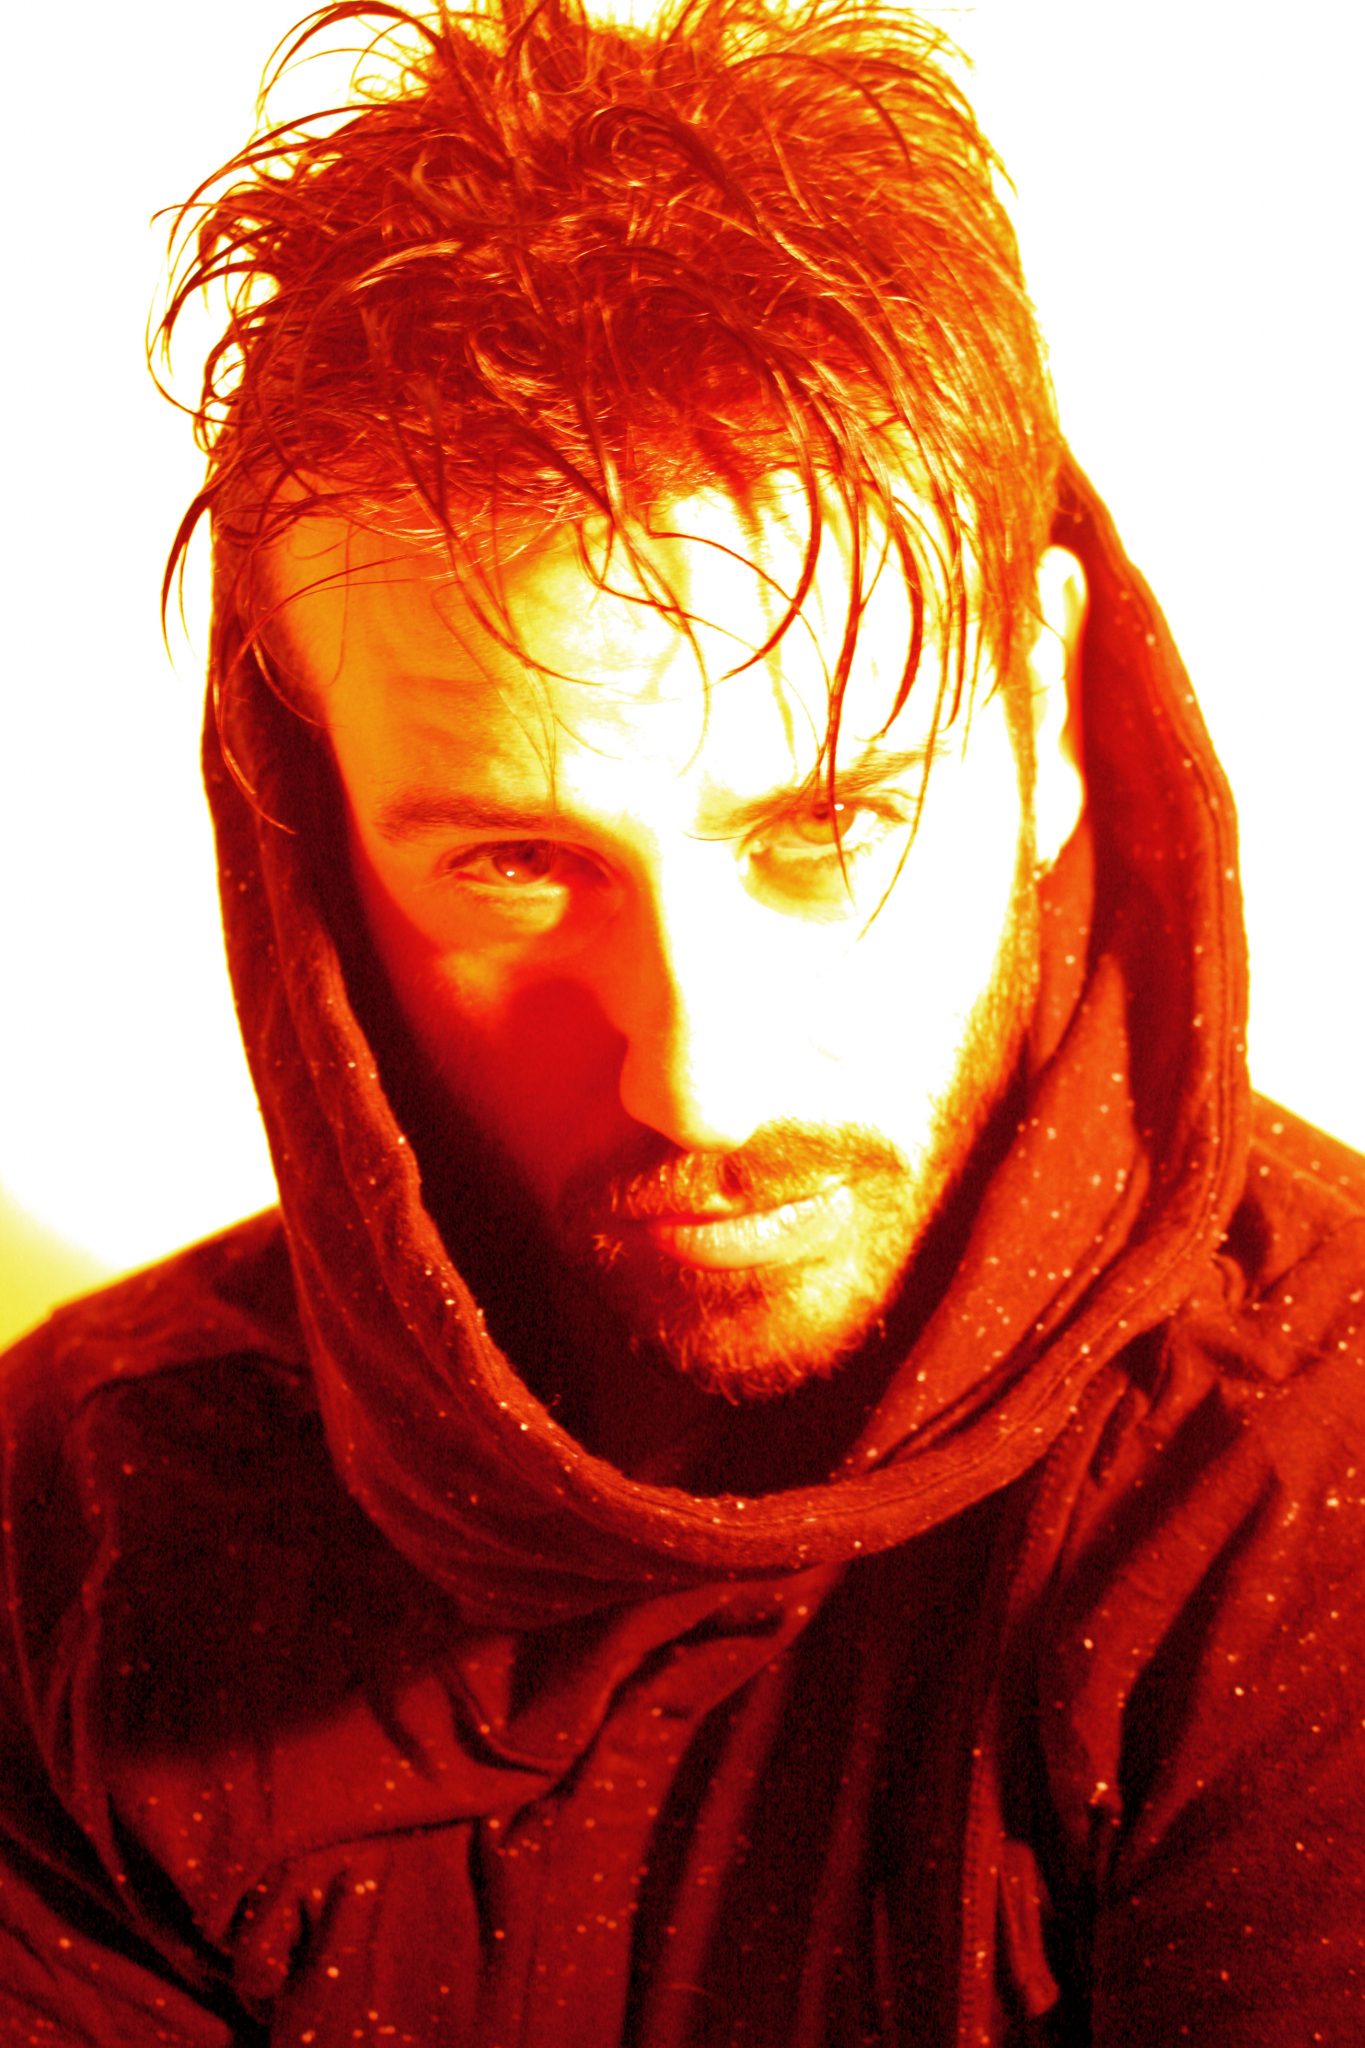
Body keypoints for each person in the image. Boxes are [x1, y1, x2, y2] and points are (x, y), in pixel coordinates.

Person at [1, 0, 1361, 2040]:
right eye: (514, 866)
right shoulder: (80, 1527)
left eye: (825, 830)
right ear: (318, 843)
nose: (695, 1077)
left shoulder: (1318, 1490)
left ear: (1040, 714)